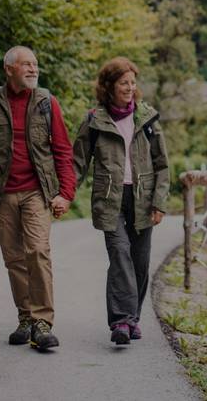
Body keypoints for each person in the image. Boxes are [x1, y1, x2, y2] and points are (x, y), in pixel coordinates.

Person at [0, 46, 75, 351]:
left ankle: (43, 322)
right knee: (14, 258)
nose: (33, 69)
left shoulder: (47, 102)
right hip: (1, 193)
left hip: (37, 191)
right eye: (27, 64)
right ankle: (25, 317)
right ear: (9, 69)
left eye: (35, 64)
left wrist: (66, 193)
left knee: (38, 250)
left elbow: (63, 150)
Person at [72, 56, 169, 345]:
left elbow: (162, 164)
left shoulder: (147, 118)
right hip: (110, 197)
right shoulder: (95, 120)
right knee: (120, 253)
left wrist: (159, 201)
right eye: (123, 82)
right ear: (109, 86)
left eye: (132, 82)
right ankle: (122, 321)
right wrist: (64, 193)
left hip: (143, 197)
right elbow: (78, 162)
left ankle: (133, 317)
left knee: (140, 261)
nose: (130, 87)